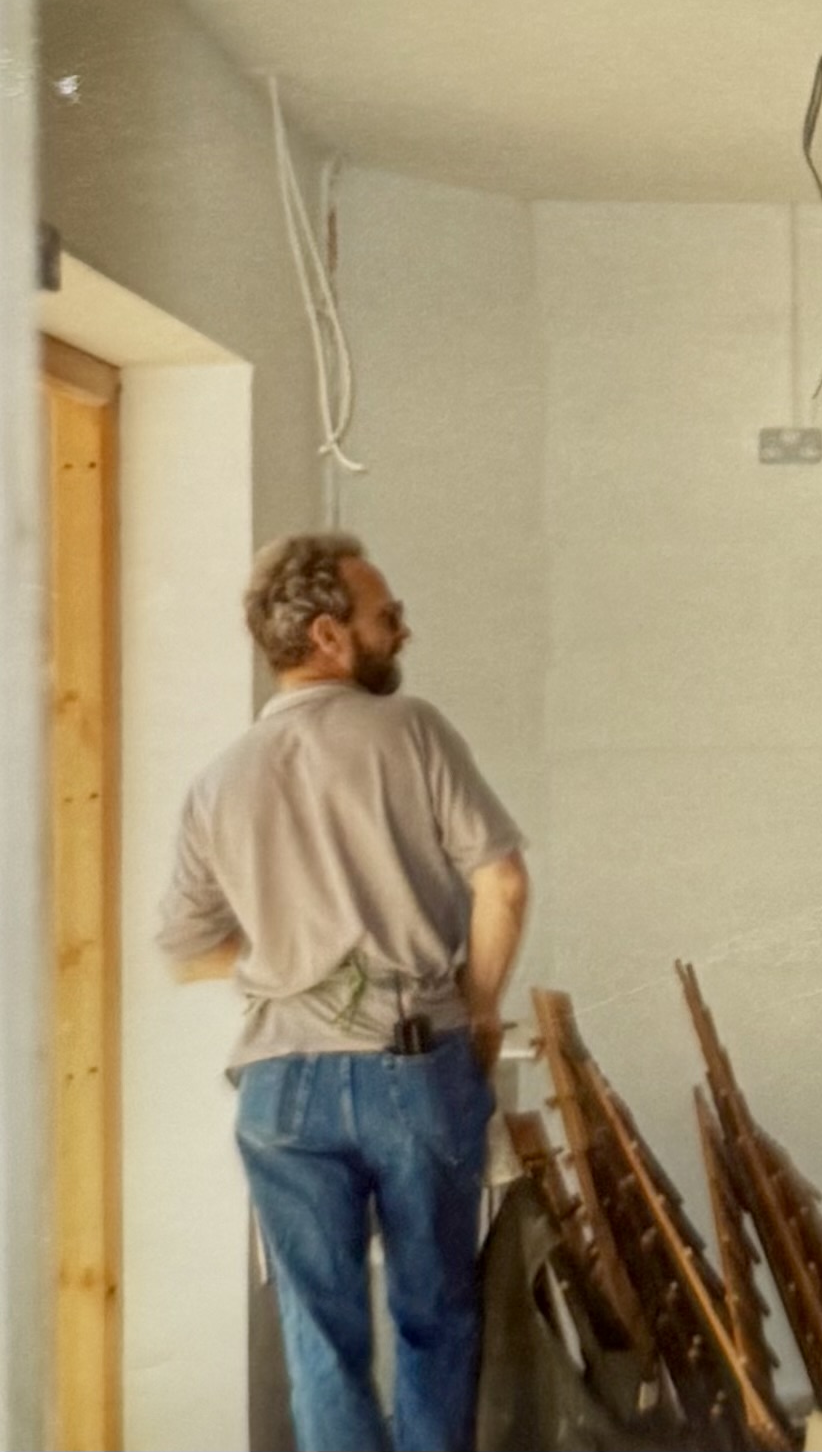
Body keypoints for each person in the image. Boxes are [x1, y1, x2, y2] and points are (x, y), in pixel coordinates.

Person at [157, 533, 530, 1452]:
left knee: (318, 1335)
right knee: (434, 1316)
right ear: (329, 634)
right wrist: (479, 1010)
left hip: (279, 1085)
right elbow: (503, 882)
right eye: (385, 615)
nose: (402, 627)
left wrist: (283, 955)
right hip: (412, 1065)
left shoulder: (219, 779)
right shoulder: (411, 731)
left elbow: (183, 946)